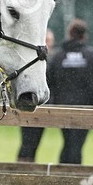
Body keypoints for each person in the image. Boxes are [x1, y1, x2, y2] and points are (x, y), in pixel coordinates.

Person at [47, 19, 93, 165]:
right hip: (86, 106)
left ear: (69, 34)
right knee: (77, 143)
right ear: (84, 35)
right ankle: (73, 171)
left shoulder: (58, 56)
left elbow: (49, 79)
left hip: (63, 106)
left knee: (69, 141)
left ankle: (64, 170)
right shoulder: (92, 56)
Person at [16, 29, 56, 162]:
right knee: (28, 142)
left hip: (43, 106)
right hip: (30, 104)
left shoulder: (49, 60)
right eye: (46, 41)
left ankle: (27, 167)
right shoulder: (33, 61)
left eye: (49, 41)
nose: (47, 44)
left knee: (33, 142)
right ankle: (23, 168)